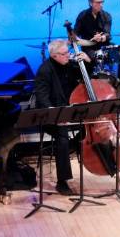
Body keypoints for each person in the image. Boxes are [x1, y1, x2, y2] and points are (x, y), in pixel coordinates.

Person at [34, 39, 92, 195]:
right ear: (54, 55)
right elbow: (42, 97)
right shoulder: (44, 70)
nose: (69, 55)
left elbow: (87, 77)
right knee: (62, 137)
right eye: (65, 53)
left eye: (69, 52)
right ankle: (62, 181)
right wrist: (55, 114)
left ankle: (75, 149)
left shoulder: (69, 65)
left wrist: (87, 61)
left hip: (70, 112)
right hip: (50, 116)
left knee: (91, 126)